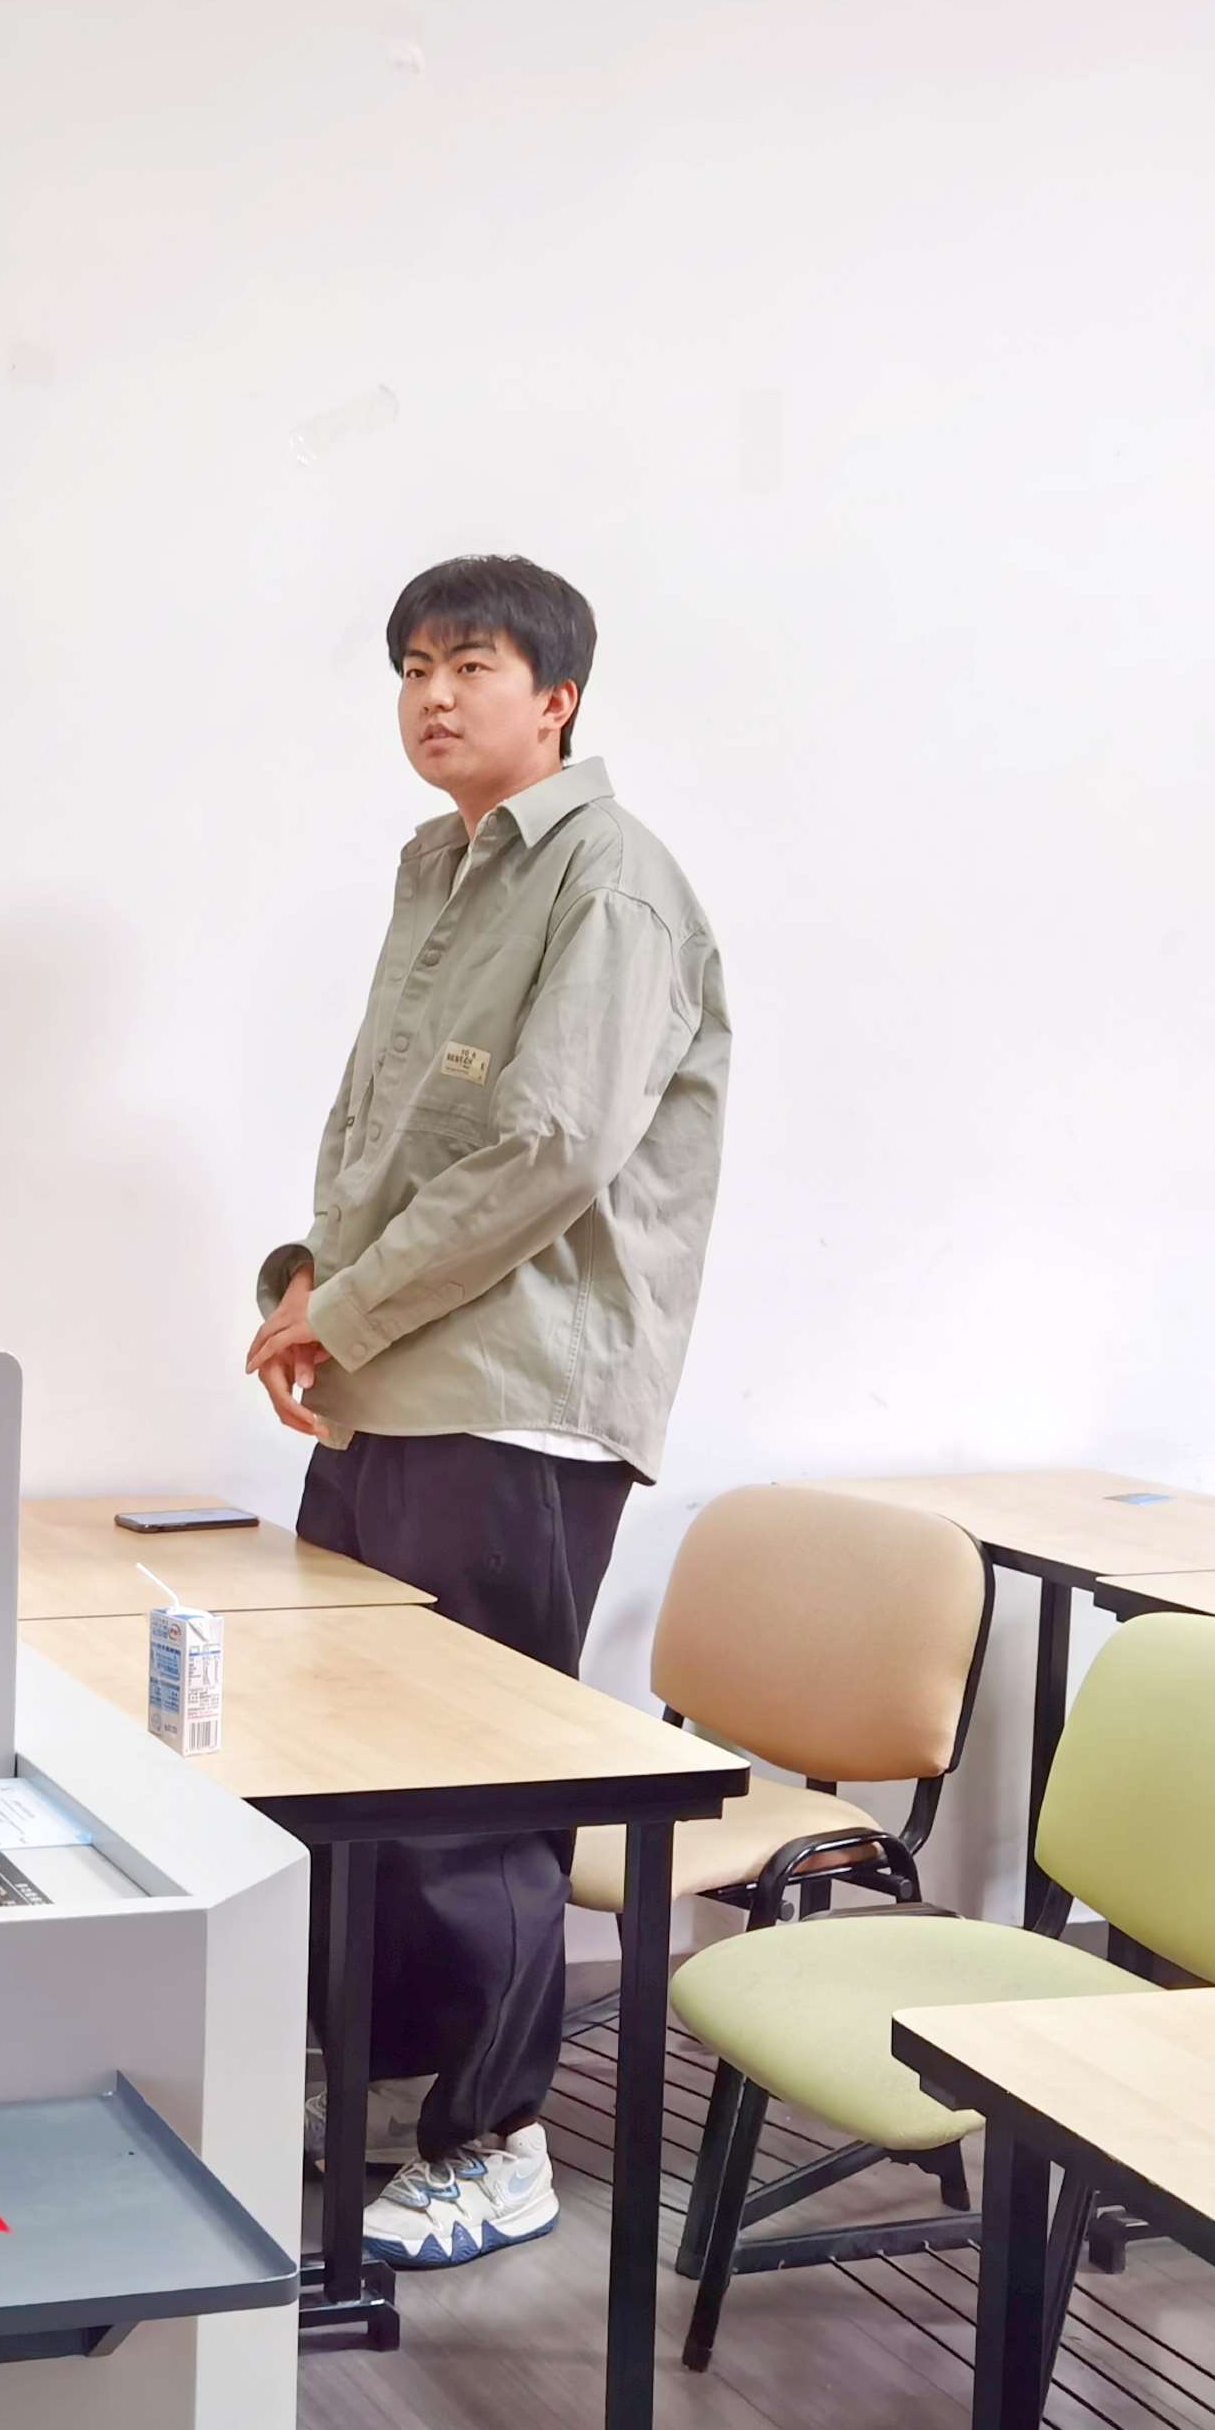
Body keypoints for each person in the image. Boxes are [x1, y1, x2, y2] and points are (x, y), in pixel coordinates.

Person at [242, 555, 731, 2270]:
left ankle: (501, 2138)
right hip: (401, 1383)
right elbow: (391, 1136)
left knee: (470, 1792)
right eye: (411, 667)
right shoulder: (444, 870)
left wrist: (351, 1308)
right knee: (349, 1773)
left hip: (518, 1401)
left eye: (472, 663)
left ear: (559, 696)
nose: (433, 694)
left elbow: (552, 1151)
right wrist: (314, 1295)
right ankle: (389, 2093)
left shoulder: (611, 881)